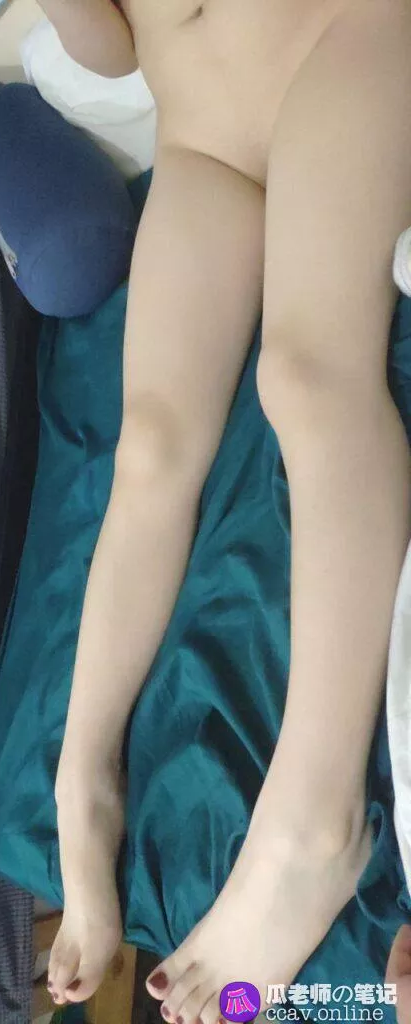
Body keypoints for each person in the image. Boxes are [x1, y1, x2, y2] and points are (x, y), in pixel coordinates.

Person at [43, 0, 411, 1019]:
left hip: (338, 42)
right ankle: (81, 778)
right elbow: (109, 49)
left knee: (306, 375)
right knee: (150, 447)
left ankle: (315, 822)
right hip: (199, 131)